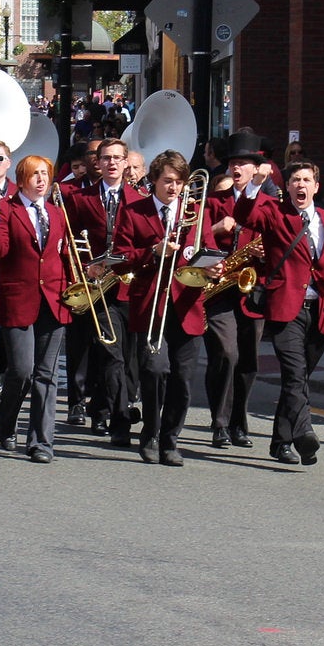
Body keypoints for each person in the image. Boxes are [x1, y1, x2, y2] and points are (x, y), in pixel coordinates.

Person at [239, 160, 324, 465]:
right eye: (295, 180)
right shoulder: (276, 212)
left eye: (306, 180)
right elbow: (244, 215)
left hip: (323, 307)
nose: (300, 185)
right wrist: (255, 183)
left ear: (316, 186)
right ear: (287, 187)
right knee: (294, 373)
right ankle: (304, 434)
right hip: (287, 306)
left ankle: (280, 442)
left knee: (299, 378)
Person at [115, 151, 205, 465]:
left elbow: (201, 250)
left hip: (186, 305)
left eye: (180, 182)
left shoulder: (194, 211)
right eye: (168, 181)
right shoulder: (134, 210)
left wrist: (212, 266)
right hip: (150, 303)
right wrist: (153, 251)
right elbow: (121, 255)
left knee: (182, 378)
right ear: (153, 180)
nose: (175, 188)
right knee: (154, 370)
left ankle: (170, 439)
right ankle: (150, 433)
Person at [0, 153, 72, 464]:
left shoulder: (56, 213)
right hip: (19, 299)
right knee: (21, 371)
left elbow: (62, 256)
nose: (41, 179)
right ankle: (7, 422)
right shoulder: (8, 209)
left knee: (46, 375)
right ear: (22, 180)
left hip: (54, 299)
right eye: (34, 174)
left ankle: (41, 442)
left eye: (45, 174)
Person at [60, 136, 136, 445]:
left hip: (126, 283)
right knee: (109, 351)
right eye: (106, 158)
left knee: (120, 354)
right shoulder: (81, 198)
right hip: (94, 284)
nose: (112, 163)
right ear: (99, 163)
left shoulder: (139, 198)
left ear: (126, 162)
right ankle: (115, 417)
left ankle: (102, 408)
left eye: (118, 157)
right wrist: (83, 269)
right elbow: (69, 241)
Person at [203, 131, 271, 449]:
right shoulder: (214, 202)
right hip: (218, 288)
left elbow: (281, 244)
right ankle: (219, 422)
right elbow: (197, 244)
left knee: (248, 360)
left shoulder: (269, 204)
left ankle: (239, 423)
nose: (238, 168)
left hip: (252, 288)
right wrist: (216, 229)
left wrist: (265, 251)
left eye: (244, 163)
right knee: (225, 353)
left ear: (255, 168)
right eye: (234, 163)